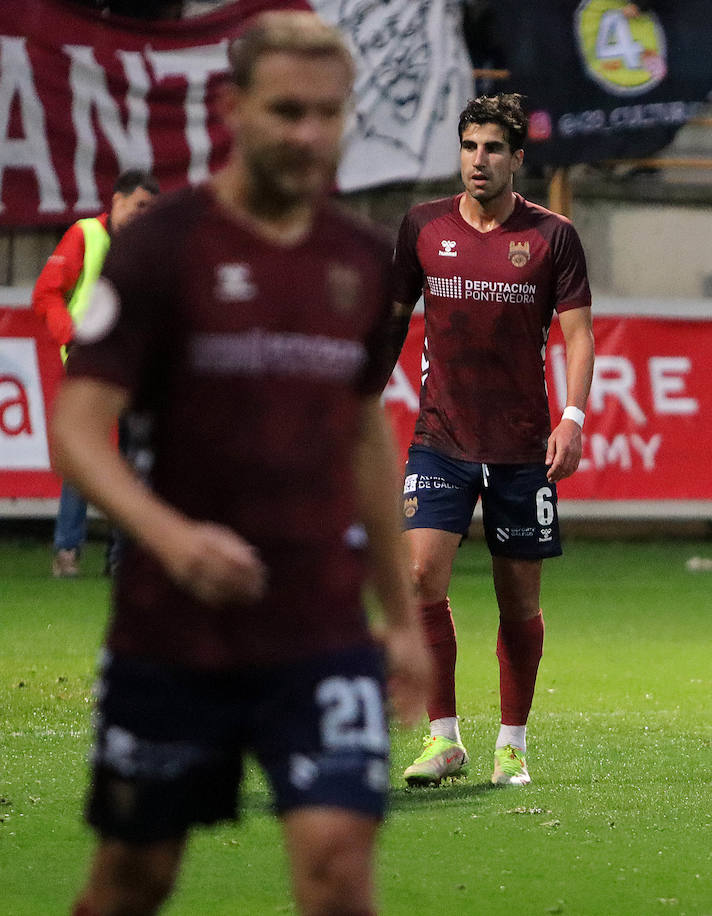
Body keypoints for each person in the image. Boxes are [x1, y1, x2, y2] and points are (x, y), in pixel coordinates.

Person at [51, 12, 429, 914]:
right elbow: (74, 424)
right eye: (287, 111)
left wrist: (401, 614)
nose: (309, 136)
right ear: (231, 107)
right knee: (133, 881)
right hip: (173, 631)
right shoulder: (159, 247)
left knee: (340, 870)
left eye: (328, 114)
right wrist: (169, 537)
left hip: (319, 629)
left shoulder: (362, 261)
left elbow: (364, 433)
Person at [390, 93, 595, 788]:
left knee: (518, 604)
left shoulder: (551, 237)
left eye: (494, 149)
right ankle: (443, 737)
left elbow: (578, 335)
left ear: (517, 158)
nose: (480, 160)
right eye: (470, 146)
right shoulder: (422, 227)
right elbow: (390, 320)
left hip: (520, 448)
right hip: (440, 435)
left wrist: (573, 416)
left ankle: (513, 743)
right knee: (420, 575)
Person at [32, 168, 159, 578]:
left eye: (150, 209)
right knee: (84, 457)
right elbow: (46, 293)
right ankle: (67, 551)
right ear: (117, 200)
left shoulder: (147, 245)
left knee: (129, 464)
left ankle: (120, 557)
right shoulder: (86, 234)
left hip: (133, 369)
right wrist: (70, 335)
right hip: (90, 370)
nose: (144, 216)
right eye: (139, 206)